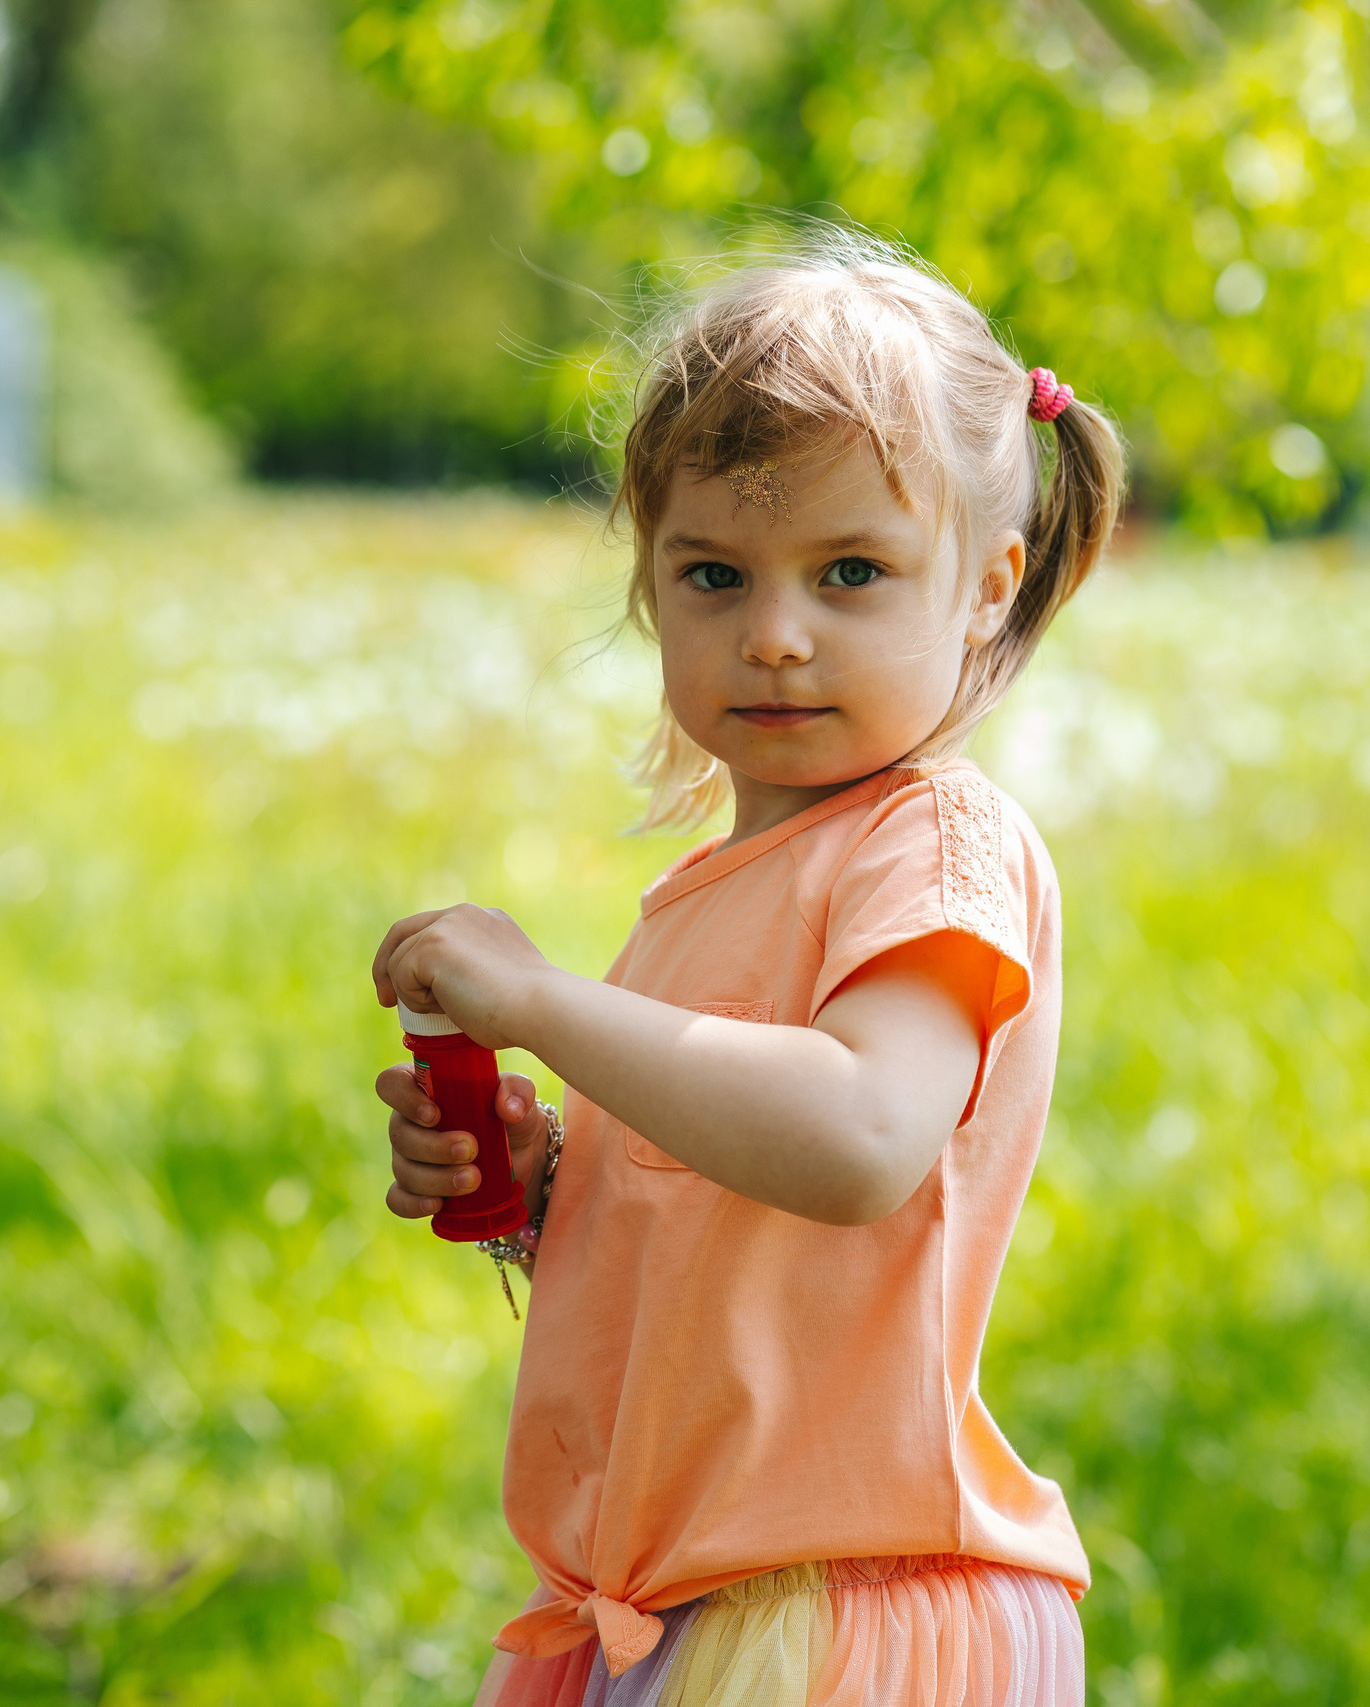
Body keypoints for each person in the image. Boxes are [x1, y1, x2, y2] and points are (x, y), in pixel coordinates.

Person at [367, 233, 1125, 1706]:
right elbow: (730, 1222)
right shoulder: (715, 889)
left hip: (840, 1613)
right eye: (713, 573)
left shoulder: (933, 845)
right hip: (673, 1595)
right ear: (651, 584)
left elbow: (856, 1140)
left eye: (852, 572)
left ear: (984, 586)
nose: (775, 636)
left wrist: (543, 1006)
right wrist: (546, 1180)